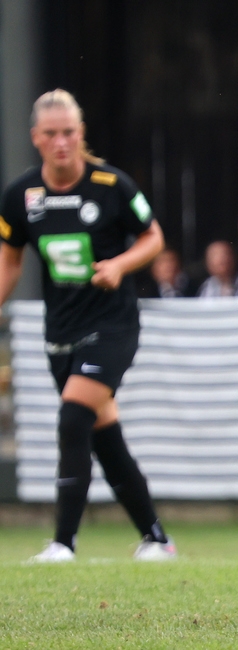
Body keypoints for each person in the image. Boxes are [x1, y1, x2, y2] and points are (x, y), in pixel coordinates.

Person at [0, 89, 175, 562]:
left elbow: (153, 237)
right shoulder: (21, 196)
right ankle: (157, 538)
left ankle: (63, 542)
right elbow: (10, 262)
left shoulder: (110, 185)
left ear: (81, 135)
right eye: (52, 134)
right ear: (36, 137)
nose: (62, 142)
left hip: (112, 324)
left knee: (73, 416)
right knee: (104, 435)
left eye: (70, 132)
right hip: (60, 329)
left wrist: (119, 265)